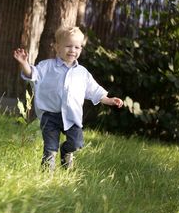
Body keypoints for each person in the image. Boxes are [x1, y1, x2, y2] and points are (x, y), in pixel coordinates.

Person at [13, 26, 123, 171]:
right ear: (57, 47)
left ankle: (66, 151)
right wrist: (24, 64)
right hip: (50, 115)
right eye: (68, 46)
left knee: (76, 143)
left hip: (72, 116)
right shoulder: (47, 66)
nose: (73, 50)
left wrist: (109, 100)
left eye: (77, 47)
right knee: (50, 148)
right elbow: (31, 74)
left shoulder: (82, 73)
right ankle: (47, 175)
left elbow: (94, 90)